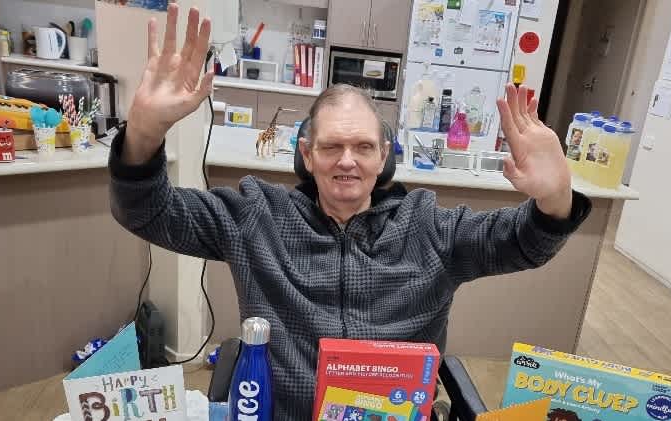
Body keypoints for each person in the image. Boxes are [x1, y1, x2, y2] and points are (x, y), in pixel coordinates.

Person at [109, 5, 591, 419]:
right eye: (332, 146)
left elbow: (525, 243)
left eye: (362, 146)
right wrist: (146, 134)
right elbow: (148, 212)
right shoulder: (256, 215)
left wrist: (555, 197)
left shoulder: (431, 228)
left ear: (384, 156)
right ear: (307, 154)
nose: (346, 160)